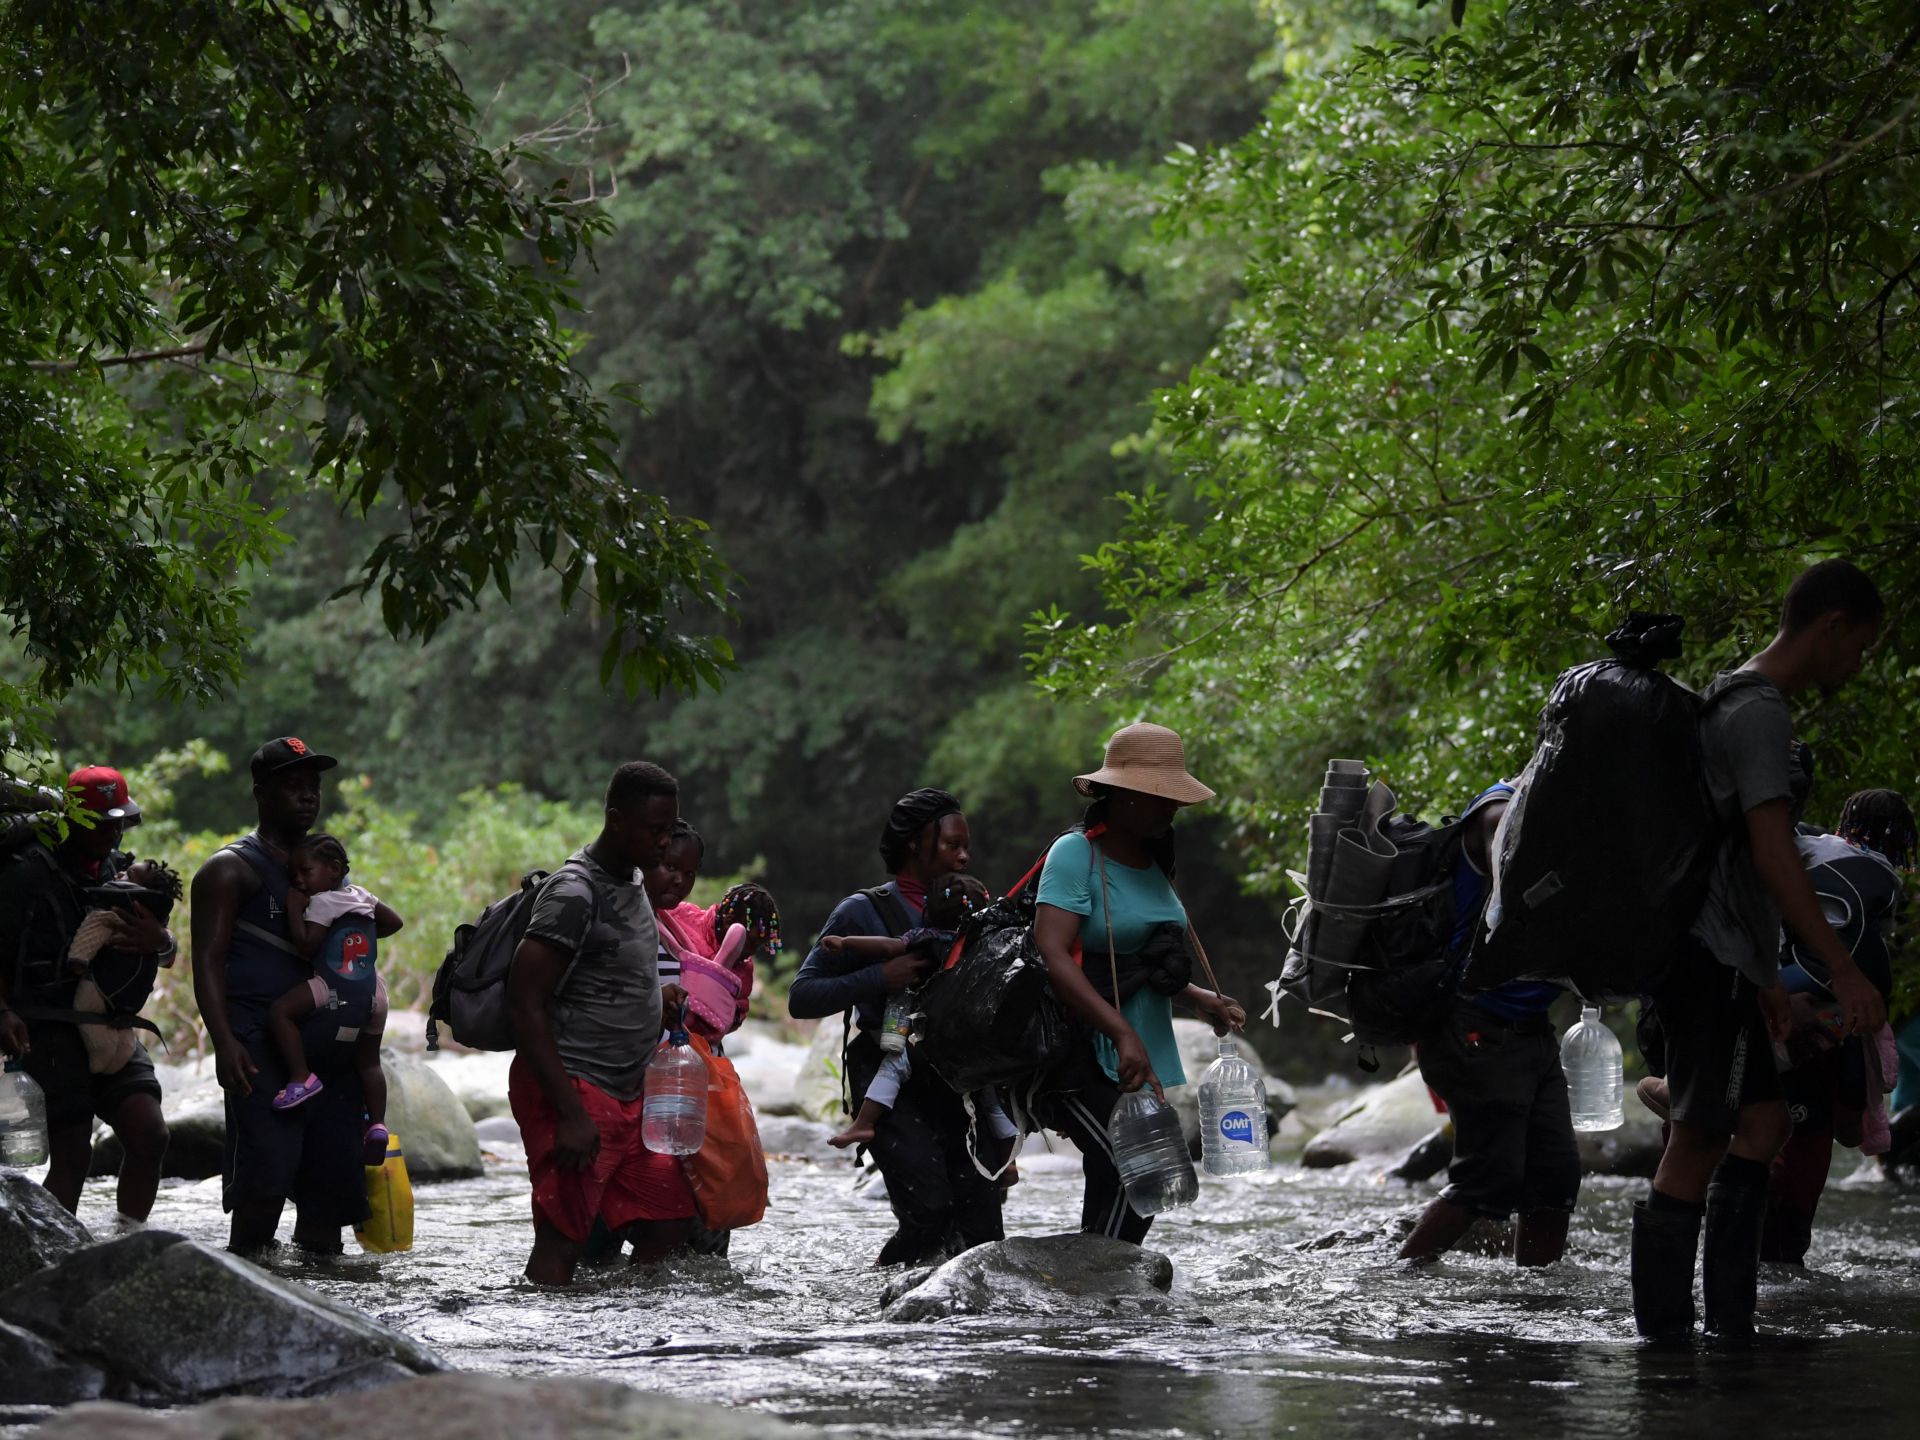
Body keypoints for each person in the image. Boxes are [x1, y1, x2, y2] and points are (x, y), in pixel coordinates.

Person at [1632, 560, 1886, 1346]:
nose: (1857, 665)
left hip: (1725, 958)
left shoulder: (1733, 702)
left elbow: (1736, 859)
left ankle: (1730, 1326)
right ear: (1832, 625)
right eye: (1861, 647)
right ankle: (1668, 1345)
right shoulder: (1756, 711)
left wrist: (1761, 974)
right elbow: (1777, 855)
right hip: (1702, 957)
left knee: (1766, 1123)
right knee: (1699, 1137)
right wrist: (1840, 971)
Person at [1030, 723, 1245, 1244]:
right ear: (1120, 795)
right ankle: (1095, 1288)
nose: (1170, 808)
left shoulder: (1154, 861)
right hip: (1078, 1044)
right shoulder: (1074, 854)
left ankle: (1101, 1299)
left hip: (1137, 1049)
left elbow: (1138, 959)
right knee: (1126, 1161)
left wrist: (1195, 998)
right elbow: (1053, 954)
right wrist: (1121, 1032)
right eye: (1158, 796)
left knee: (1142, 1174)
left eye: (1174, 797)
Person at [788, 787, 1004, 1266]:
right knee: (929, 1211)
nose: (964, 856)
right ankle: (885, 1307)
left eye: (966, 846)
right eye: (952, 845)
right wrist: (880, 977)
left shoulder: (972, 909)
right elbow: (802, 998)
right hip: (887, 1073)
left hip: (960, 1077)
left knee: (983, 1228)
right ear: (914, 843)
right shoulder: (861, 911)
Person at [504, 761, 689, 1286]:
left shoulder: (631, 879)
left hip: (631, 1092)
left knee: (669, 1220)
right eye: (654, 829)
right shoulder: (572, 892)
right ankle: (551, 1353)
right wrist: (569, 1113)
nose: (664, 842)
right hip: (576, 1086)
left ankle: (619, 1329)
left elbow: (608, 971)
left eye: (670, 828)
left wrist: (658, 997)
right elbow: (524, 1004)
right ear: (615, 818)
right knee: (562, 1238)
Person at [191, 736, 368, 1254]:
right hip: (258, 1041)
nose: (308, 797)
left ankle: (325, 1307)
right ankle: (248, 1285)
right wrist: (223, 1042)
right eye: (293, 786)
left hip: (327, 1044)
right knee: (264, 1180)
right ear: (260, 794)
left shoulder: (325, 866)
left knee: (329, 1190)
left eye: (313, 787)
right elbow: (206, 963)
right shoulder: (228, 870)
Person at [1398, 782, 1581, 1266]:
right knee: (1487, 1179)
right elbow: (1499, 824)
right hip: (1471, 1027)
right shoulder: (1500, 807)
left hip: (1533, 1032)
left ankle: (1537, 1300)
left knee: (1556, 1178)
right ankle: (1398, 1281)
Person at [0, 766, 174, 1220]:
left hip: (111, 1026)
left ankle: (126, 1247)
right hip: (48, 1027)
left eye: (118, 821)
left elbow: (164, 953)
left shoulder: (123, 870)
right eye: (99, 822)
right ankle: (55, 1264)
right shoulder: (27, 874)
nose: (111, 831)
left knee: (149, 1134)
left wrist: (159, 940)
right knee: (73, 1154)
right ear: (71, 818)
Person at [822, 873, 1016, 1165]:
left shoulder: (924, 938)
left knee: (894, 1065)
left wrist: (846, 942)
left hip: (924, 1033)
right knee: (987, 1092)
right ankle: (1009, 1160)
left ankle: (864, 1123)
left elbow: (888, 947)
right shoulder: (983, 945)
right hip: (969, 1036)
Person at [262, 836, 403, 1169]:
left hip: (333, 987)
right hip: (374, 993)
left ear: (334, 869)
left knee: (281, 1012)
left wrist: (295, 911)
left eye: (305, 871)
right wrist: (362, 930)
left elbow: (306, 946)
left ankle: (301, 1077)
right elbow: (394, 922)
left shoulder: (322, 903)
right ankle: (378, 1124)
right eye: (293, 874)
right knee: (369, 1062)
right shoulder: (363, 896)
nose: (298, 880)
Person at [643, 819, 779, 1045]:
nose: (680, 881)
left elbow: (735, 1013)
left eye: (690, 873)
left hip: (696, 1055)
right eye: (671, 867)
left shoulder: (744, 968)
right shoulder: (675, 917)